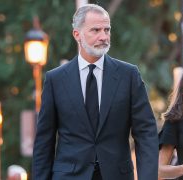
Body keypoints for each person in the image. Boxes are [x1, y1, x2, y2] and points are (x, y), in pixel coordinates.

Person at [32, 4, 158, 180]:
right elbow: (44, 142)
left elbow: (146, 132)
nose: (104, 36)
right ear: (77, 35)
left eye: (107, 30)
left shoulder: (128, 75)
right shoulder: (56, 79)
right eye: (96, 30)